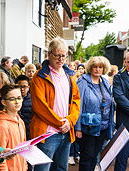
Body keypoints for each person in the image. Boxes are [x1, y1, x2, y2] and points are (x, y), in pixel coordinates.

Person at [30, 37, 81, 171]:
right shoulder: (39, 77)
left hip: (66, 131)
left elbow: (76, 101)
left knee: (61, 168)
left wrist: (70, 121)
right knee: (43, 169)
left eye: (63, 56)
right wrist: (60, 123)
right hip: (47, 134)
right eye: (57, 55)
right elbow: (40, 107)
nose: (60, 59)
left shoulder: (70, 76)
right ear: (49, 54)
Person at [75, 56, 115, 171]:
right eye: (95, 67)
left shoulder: (105, 82)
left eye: (100, 67)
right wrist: (78, 128)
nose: (97, 69)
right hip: (88, 127)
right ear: (90, 68)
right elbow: (78, 105)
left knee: (95, 157)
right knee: (86, 158)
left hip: (103, 126)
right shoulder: (83, 82)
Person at [0, 84, 27, 171]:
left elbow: (23, 149)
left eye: (19, 98)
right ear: (4, 102)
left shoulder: (20, 121)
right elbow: (0, 156)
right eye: (12, 99)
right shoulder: (2, 124)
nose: (17, 102)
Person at [15, 75, 32, 140]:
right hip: (16, 133)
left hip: (29, 132)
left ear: (28, 87)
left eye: (24, 87)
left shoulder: (33, 99)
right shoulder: (11, 99)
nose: (22, 89)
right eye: (19, 87)